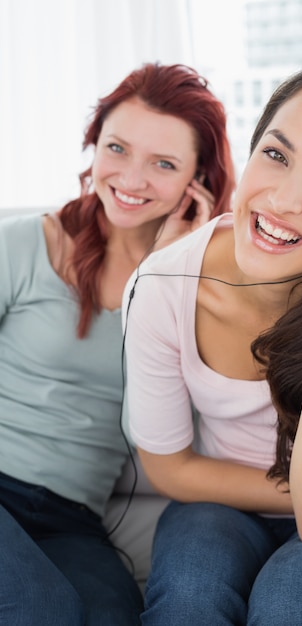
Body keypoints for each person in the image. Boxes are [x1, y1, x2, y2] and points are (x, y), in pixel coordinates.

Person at [124, 61, 302, 625]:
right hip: (231, 496)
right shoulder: (163, 285)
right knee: (188, 598)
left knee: (296, 601)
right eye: (277, 155)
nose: (282, 200)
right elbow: (168, 468)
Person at [0, 62, 234, 625]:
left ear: (196, 181)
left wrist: (163, 277)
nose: (131, 179)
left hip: (70, 517)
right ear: (93, 145)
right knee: (41, 610)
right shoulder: (24, 245)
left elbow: (151, 429)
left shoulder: (195, 287)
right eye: (118, 148)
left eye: (163, 164)